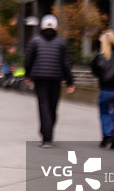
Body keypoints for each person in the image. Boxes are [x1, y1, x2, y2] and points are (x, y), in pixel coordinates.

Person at [24, 14, 75, 148]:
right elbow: (66, 64)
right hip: (56, 79)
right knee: (52, 107)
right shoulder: (61, 43)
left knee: (43, 106)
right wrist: (70, 82)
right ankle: (48, 132)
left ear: (42, 26)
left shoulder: (35, 41)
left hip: (40, 79)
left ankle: (46, 137)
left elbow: (28, 60)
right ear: (56, 27)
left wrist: (28, 75)